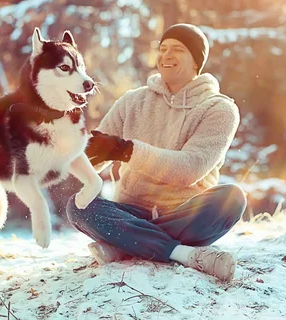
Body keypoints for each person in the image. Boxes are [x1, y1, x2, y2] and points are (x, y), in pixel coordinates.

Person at [66, 23, 247, 282]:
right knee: (78, 206)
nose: (167, 55)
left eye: (177, 49)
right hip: (129, 212)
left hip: (186, 213)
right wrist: (75, 144)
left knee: (232, 198)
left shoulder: (219, 109)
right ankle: (182, 253)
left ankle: (125, 244)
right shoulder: (132, 101)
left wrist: (126, 150)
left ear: (196, 60)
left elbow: (189, 169)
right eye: (162, 49)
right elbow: (91, 162)